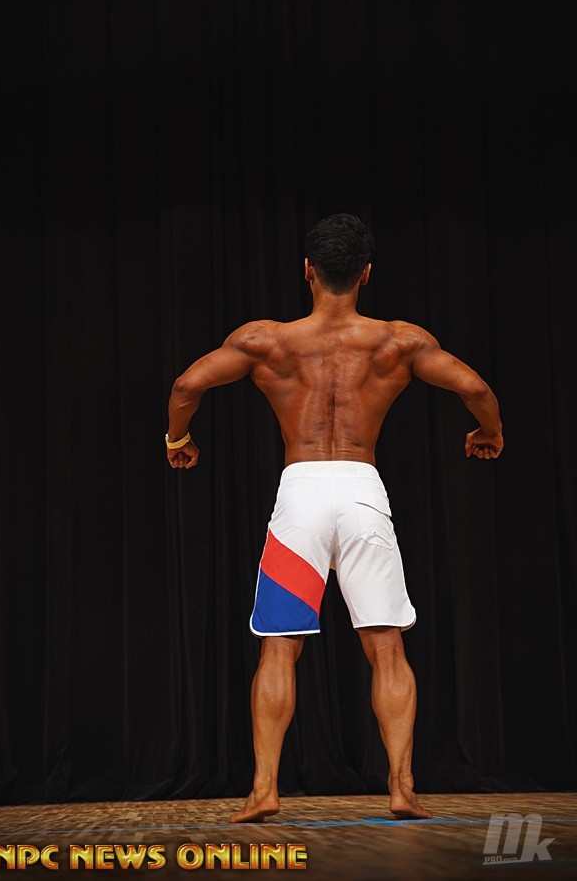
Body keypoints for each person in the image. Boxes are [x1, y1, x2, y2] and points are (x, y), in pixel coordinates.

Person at [166, 213, 503, 823]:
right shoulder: (398, 342)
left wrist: (177, 439)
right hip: (362, 491)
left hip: (300, 495)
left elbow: (188, 385)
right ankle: (401, 788)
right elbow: (476, 389)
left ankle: (264, 790)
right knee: (387, 646)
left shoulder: (266, 341)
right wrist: (488, 432)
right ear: (366, 274)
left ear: (308, 271)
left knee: (279, 648)